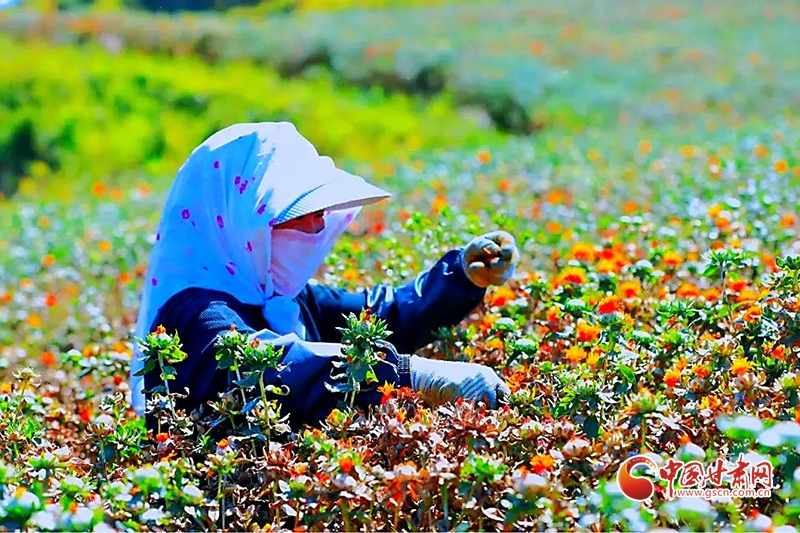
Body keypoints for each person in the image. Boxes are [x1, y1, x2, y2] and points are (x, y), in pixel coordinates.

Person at [131, 122, 519, 428]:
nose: (318, 228)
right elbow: (270, 368)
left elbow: (384, 315)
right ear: (243, 219)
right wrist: (408, 374)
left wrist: (460, 278)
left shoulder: (282, 298)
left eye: (321, 212)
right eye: (301, 212)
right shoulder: (192, 313)